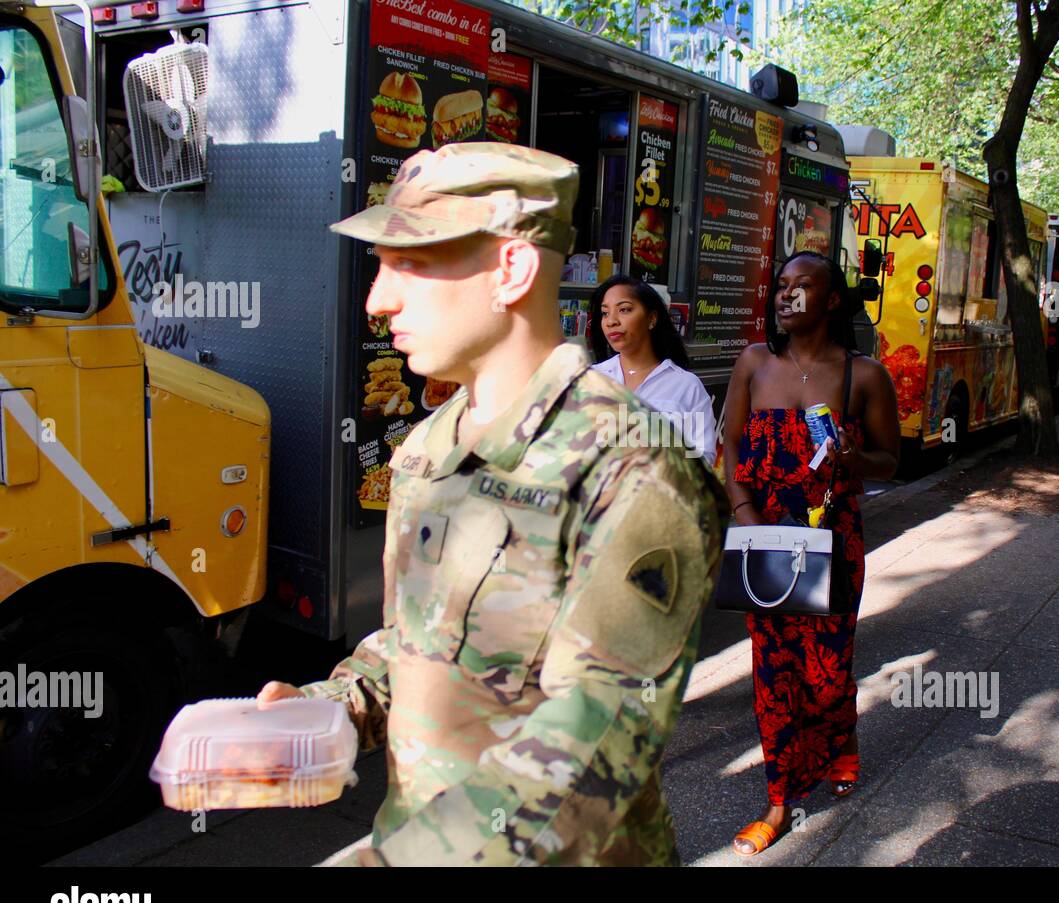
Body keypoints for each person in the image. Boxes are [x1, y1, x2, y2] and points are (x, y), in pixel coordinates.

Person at [258, 143, 729, 865]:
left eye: (408, 263)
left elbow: (597, 740)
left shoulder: (634, 466)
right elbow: (421, 638)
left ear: (510, 269)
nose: (377, 300)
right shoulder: (426, 449)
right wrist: (333, 708)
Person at [721, 252, 900, 857]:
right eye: (781, 286)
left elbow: (889, 460)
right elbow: (730, 449)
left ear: (832, 300)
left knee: (827, 670)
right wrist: (748, 520)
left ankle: (840, 747)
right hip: (768, 540)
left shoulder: (865, 375)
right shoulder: (754, 363)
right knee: (774, 673)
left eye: (803, 287)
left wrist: (854, 458)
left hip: (833, 541)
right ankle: (778, 799)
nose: (786, 295)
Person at [588, 275, 717, 466]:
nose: (611, 321)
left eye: (624, 310)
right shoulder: (591, 380)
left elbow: (702, 458)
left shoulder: (686, 386)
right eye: (605, 313)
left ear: (652, 318)